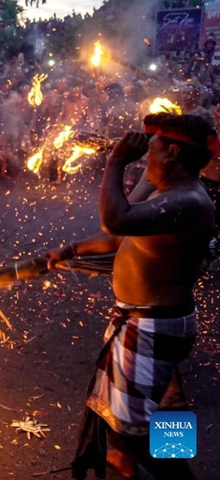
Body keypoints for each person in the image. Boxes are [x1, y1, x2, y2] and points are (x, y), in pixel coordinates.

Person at [47, 114, 215, 480]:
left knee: (137, 431)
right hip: (139, 321)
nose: (145, 157)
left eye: (151, 150)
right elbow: (117, 236)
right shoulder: (165, 188)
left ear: (171, 152)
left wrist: (115, 161)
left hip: (153, 326)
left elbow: (116, 220)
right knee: (140, 417)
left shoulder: (188, 201)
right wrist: (72, 248)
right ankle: (122, 469)